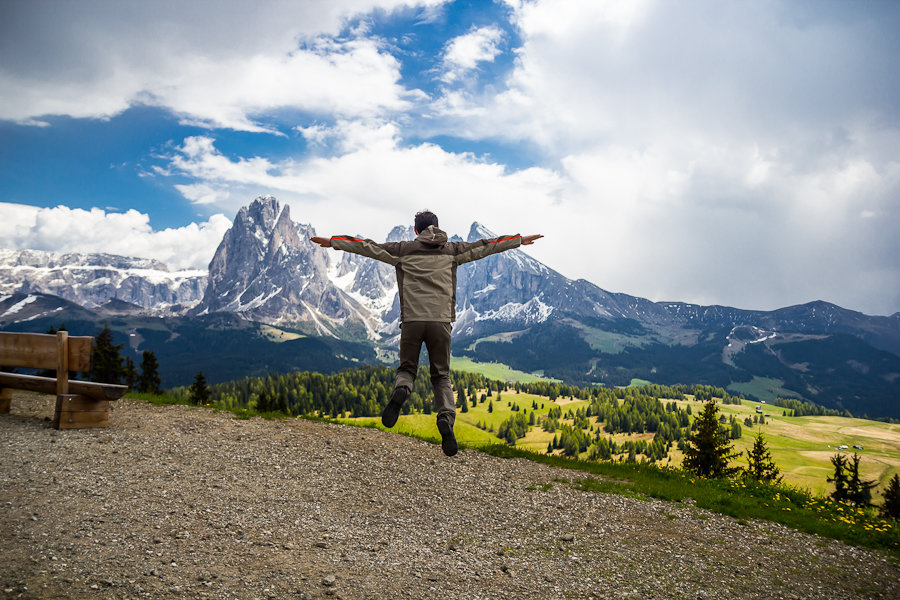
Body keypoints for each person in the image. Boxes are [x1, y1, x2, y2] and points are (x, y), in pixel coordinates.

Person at [311, 210, 542, 456]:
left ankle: (402, 391)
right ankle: (445, 418)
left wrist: (334, 242)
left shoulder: (402, 249)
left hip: (412, 320)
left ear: (415, 231)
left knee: (407, 369)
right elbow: (486, 246)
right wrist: (518, 240)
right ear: (437, 227)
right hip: (441, 322)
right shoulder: (452, 250)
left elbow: (368, 246)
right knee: (441, 376)